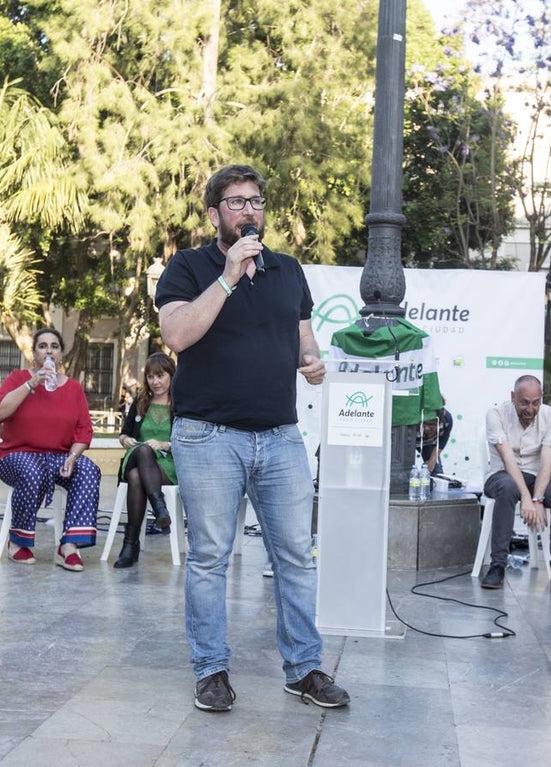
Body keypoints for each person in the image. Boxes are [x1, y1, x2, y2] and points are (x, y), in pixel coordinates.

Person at [156, 164, 348, 712]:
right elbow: (177, 334)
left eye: (256, 202)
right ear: (214, 214)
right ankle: (211, 670)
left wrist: (310, 363)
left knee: (295, 557)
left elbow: (301, 337)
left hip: (280, 437)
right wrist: (228, 277)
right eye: (236, 203)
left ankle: (305, 668)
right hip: (207, 437)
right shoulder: (190, 267)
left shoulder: (287, 270)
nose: (249, 211)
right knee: (211, 557)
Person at [0, 328, 101, 572]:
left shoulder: (73, 389)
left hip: (59, 456)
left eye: (54, 346)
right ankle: (17, 541)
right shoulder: (18, 379)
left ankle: (69, 545)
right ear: (34, 353)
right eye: (42, 346)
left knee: (88, 470)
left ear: (61, 355)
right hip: (16, 455)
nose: (49, 350)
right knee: (31, 471)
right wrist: (32, 383)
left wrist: (73, 456)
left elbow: (84, 430)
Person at [482, 375, 551, 598]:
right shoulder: (496, 413)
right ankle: (497, 565)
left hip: (537, 477)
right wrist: (527, 496)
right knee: (507, 488)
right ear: (513, 397)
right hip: (502, 474)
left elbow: (547, 461)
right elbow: (507, 459)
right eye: (524, 402)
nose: (530, 409)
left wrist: (538, 498)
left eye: (536, 402)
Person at [113, 352, 177, 568]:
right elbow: (123, 433)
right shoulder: (141, 401)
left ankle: (130, 545)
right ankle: (159, 508)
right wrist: (126, 440)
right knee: (143, 451)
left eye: (160, 376)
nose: (155, 382)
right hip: (137, 454)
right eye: (151, 377)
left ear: (171, 375)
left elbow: (186, 439)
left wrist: (165, 444)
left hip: (167, 465)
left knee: (135, 477)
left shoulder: (180, 404)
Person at [419, 402, 453, 474]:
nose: (426, 428)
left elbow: (443, 440)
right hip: (409, 438)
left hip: (429, 443)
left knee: (436, 472)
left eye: (431, 425)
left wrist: (432, 460)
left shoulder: (447, 419)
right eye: (424, 423)